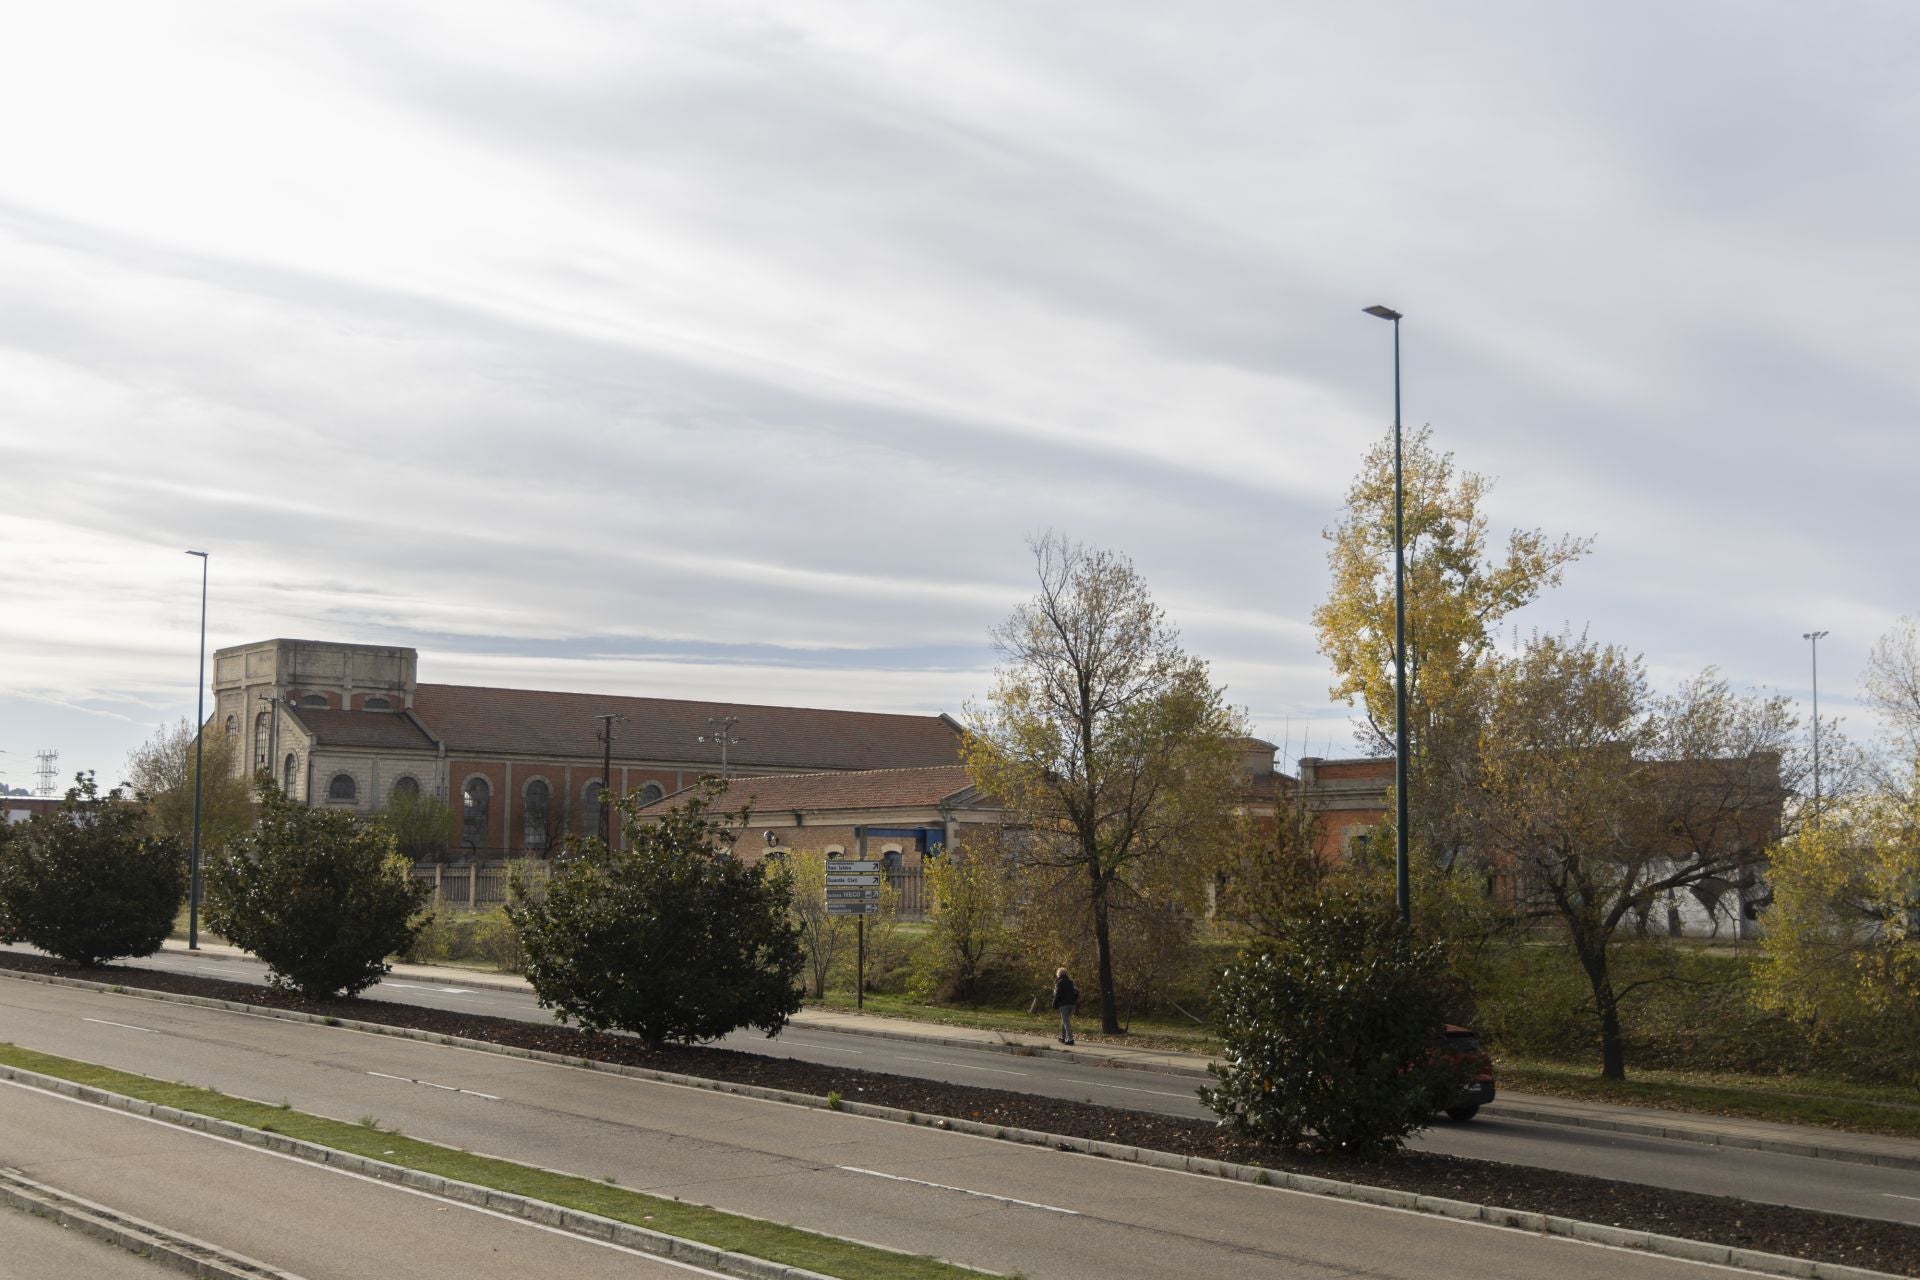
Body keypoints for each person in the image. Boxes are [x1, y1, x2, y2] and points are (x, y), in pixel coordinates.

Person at [1051, 967, 1079, 1045]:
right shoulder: (1070, 982)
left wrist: (1054, 1003)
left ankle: (1070, 1039)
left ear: (1058, 974)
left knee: (1066, 1021)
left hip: (1064, 1004)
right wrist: (1074, 999)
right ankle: (1062, 1037)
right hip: (1072, 1004)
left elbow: (1057, 994)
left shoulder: (1059, 983)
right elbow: (1076, 991)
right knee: (1065, 1020)